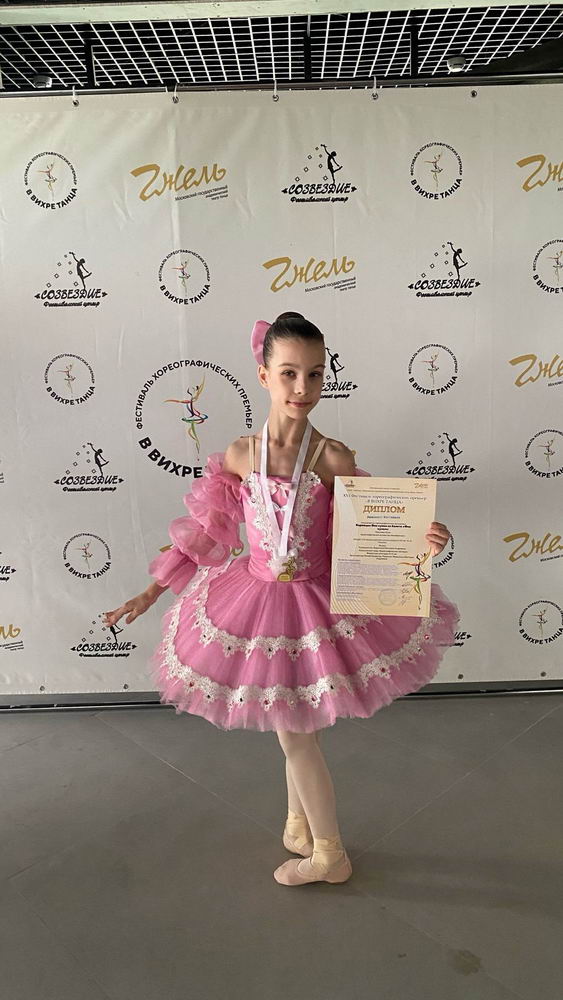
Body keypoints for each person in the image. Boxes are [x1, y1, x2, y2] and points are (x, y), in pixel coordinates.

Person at [104, 312, 459, 888]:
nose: (302, 387)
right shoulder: (241, 455)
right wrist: (150, 592)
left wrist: (423, 538)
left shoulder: (333, 458)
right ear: (263, 375)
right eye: (289, 372)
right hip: (256, 599)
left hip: (314, 603)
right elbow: (208, 534)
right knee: (293, 723)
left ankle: (330, 855)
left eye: (315, 374)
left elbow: (372, 533)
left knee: (295, 734)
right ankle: (298, 823)